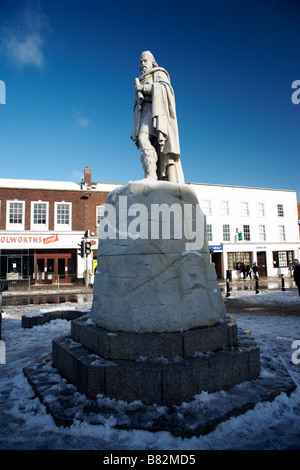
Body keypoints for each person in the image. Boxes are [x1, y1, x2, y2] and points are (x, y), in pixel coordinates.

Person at [131, 51, 184, 183]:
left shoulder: (159, 73)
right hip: (145, 112)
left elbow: (165, 89)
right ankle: (152, 174)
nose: (143, 64)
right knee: (149, 143)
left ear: (152, 62)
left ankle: (151, 175)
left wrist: (143, 88)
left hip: (157, 112)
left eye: (145, 61)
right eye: (141, 62)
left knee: (144, 138)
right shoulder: (141, 79)